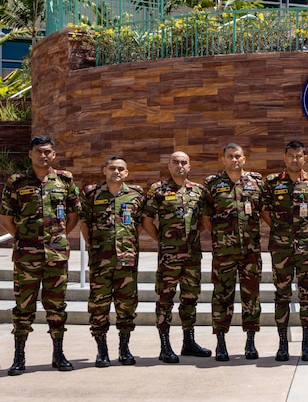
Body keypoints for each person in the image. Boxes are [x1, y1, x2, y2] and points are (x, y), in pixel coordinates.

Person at [0, 135, 80, 376]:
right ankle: (19, 357)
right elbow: (6, 217)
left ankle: (58, 353)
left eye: (47, 151)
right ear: (30, 154)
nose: (43, 155)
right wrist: (23, 238)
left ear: (53, 154)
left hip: (56, 255)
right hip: (27, 256)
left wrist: (59, 236)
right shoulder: (16, 181)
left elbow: (74, 213)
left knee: (56, 305)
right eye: (38, 151)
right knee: (23, 307)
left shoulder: (65, 180)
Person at [142, 151, 211, 364]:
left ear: (189, 166)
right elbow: (147, 221)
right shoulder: (158, 190)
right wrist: (162, 241)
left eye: (184, 162)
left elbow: (203, 221)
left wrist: (192, 236)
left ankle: (188, 342)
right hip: (169, 257)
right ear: (169, 166)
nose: (180, 165)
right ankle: (165, 345)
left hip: (192, 256)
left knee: (190, 299)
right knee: (165, 300)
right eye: (175, 162)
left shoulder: (199, 191)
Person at [261, 141, 308, 362]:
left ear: (304, 158)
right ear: (285, 157)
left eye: (299, 156)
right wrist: (281, 230)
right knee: (282, 295)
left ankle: (306, 344)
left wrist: (303, 230)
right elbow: (265, 212)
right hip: (281, 248)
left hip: (306, 248)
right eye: (291, 156)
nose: (295, 159)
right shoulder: (271, 183)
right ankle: (282, 344)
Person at [79, 155, 145, 367]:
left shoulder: (136, 194)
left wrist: (128, 243)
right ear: (105, 170)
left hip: (127, 261)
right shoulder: (92, 193)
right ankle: (102, 350)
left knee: (126, 306)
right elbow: (84, 224)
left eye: (121, 169)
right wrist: (95, 248)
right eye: (112, 168)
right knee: (99, 306)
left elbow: (140, 224)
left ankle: (124, 348)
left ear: (126, 173)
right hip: (101, 261)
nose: (116, 172)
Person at [202, 143, 264, 362]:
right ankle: (221, 343)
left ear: (244, 159)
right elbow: (206, 219)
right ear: (223, 159)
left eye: (238, 156)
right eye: (230, 156)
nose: (234, 160)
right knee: (221, 297)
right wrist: (222, 238)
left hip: (251, 252)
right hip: (223, 253)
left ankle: (250, 342)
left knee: (252, 297)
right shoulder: (212, 184)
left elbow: (263, 211)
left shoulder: (256, 182)